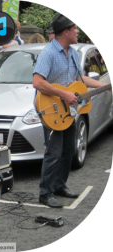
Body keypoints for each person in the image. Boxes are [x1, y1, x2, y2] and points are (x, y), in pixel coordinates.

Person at [32, 13, 113, 208]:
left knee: (69, 150)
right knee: (53, 152)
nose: (78, 31)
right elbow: (37, 82)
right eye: (75, 28)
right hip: (51, 109)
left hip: (68, 112)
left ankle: (60, 186)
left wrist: (105, 85)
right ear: (65, 31)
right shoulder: (49, 53)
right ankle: (46, 193)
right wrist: (64, 94)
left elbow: (80, 80)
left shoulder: (74, 53)